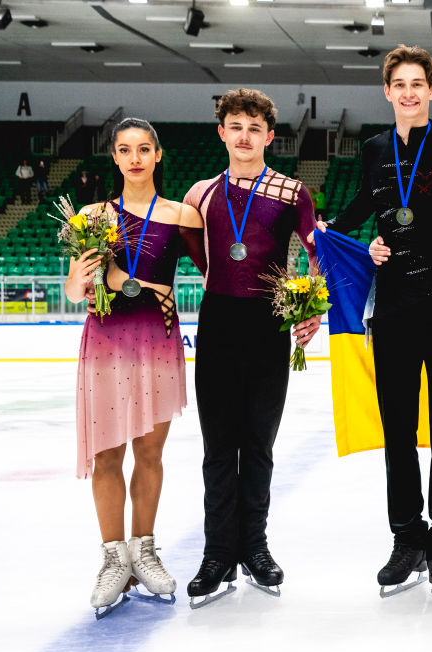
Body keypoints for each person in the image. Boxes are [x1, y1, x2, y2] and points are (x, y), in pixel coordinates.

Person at [321, 45, 432, 610]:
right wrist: (341, 238)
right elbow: (363, 206)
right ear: (387, 92)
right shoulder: (371, 149)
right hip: (392, 308)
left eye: (419, 83)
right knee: (397, 430)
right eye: (399, 85)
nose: (409, 93)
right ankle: (406, 539)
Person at [183, 88, 321, 607]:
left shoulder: (291, 192)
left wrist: (307, 308)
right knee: (218, 447)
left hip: (268, 324)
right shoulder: (200, 194)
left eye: (254, 127)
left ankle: (255, 548)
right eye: (235, 126)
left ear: (268, 135)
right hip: (218, 320)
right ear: (222, 132)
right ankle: (217, 552)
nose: (244, 136)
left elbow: (315, 251)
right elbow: (197, 251)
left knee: (259, 443)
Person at [65, 118, 205, 617]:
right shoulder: (92, 216)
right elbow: (72, 289)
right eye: (125, 150)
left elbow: (215, 271)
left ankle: (144, 551)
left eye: (144, 148)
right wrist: (87, 282)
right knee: (107, 456)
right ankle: (112, 559)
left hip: (157, 342)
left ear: (159, 155)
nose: (135, 158)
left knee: (149, 453)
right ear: (115, 158)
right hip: (104, 341)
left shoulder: (183, 216)